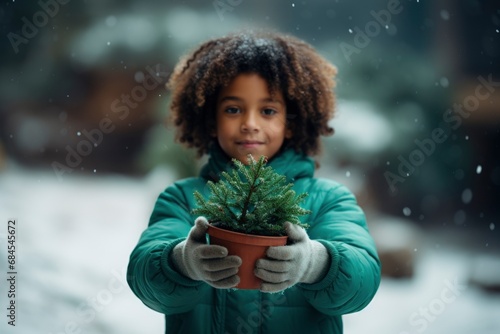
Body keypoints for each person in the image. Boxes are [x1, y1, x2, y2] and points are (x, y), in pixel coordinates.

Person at [127, 30, 381, 334]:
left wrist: (314, 263)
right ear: (211, 120)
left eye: (268, 111)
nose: (250, 124)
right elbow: (144, 274)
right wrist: (182, 261)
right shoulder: (182, 199)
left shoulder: (329, 199)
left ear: (291, 123)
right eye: (233, 109)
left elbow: (362, 280)